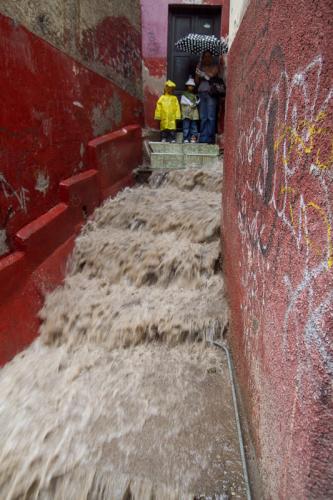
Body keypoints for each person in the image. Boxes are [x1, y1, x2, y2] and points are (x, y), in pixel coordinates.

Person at [195, 50, 222, 144]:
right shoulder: (200, 67)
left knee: (210, 116)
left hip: (211, 94)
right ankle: (203, 138)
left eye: (208, 56)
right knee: (203, 116)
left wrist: (203, 73)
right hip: (201, 93)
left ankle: (210, 138)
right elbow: (197, 82)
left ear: (211, 57)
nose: (206, 58)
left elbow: (211, 75)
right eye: (204, 56)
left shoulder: (215, 67)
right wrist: (197, 74)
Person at [180, 77, 200, 143]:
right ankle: (186, 138)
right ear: (187, 86)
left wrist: (197, 102)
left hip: (193, 112)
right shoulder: (184, 95)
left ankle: (193, 137)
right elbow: (183, 102)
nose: (191, 87)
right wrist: (190, 103)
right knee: (186, 126)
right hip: (187, 112)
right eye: (189, 86)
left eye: (192, 86)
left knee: (193, 126)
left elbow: (197, 102)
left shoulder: (194, 96)